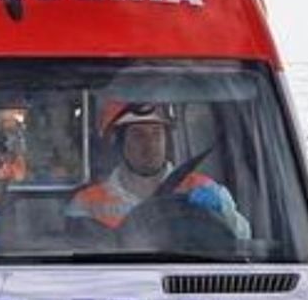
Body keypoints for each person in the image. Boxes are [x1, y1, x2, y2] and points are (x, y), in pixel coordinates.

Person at [64, 100, 249, 241]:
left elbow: (243, 240)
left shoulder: (203, 188)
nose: (150, 144)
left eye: (156, 133)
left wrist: (225, 213)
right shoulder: (87, 203)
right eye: (138, 135)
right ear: (118, 143)